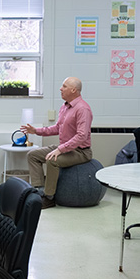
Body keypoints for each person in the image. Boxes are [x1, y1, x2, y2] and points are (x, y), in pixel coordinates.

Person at [20, 77, 93, 208]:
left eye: (64, 86)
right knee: (32, 155)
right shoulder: (64, 107)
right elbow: (57, 128)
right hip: (65, 148)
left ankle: (49, 198)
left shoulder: (83, 109)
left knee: (52, 160)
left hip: (81, 152)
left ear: (73, 90)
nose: (61, 89)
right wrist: (35, 131)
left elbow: (81, 136)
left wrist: (60, 150)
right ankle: (40, 192)